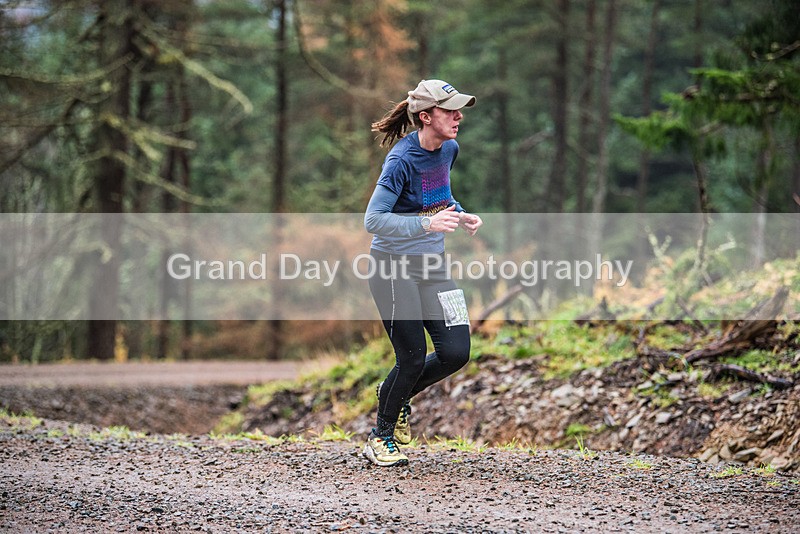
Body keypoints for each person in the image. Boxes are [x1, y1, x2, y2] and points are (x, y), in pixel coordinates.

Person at [362, 79, 483, 467]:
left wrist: (459, 213)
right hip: (392, 269)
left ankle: (393, 392)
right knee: (411, 358)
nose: (459, 116)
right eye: (451, 111)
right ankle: (380, 438)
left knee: (455, 352)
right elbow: (374, 220)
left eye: (459, 109)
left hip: (433, 266)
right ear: (426, 116)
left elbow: (437, 197)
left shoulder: (449, 148)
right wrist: (424, 227)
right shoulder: (400, 160)